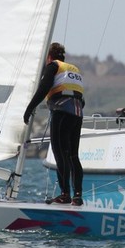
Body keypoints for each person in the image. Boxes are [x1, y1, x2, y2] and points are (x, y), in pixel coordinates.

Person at [23, 42, 85, 206]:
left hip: (62, 111)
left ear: (49, 56)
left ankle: (65, 194)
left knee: (59, 153)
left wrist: (29, 108)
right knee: (73, 155)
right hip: (77, 112)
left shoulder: (53, 66)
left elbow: (43, 88)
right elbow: (80, 97)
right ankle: (77, 196)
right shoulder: (74, 69)